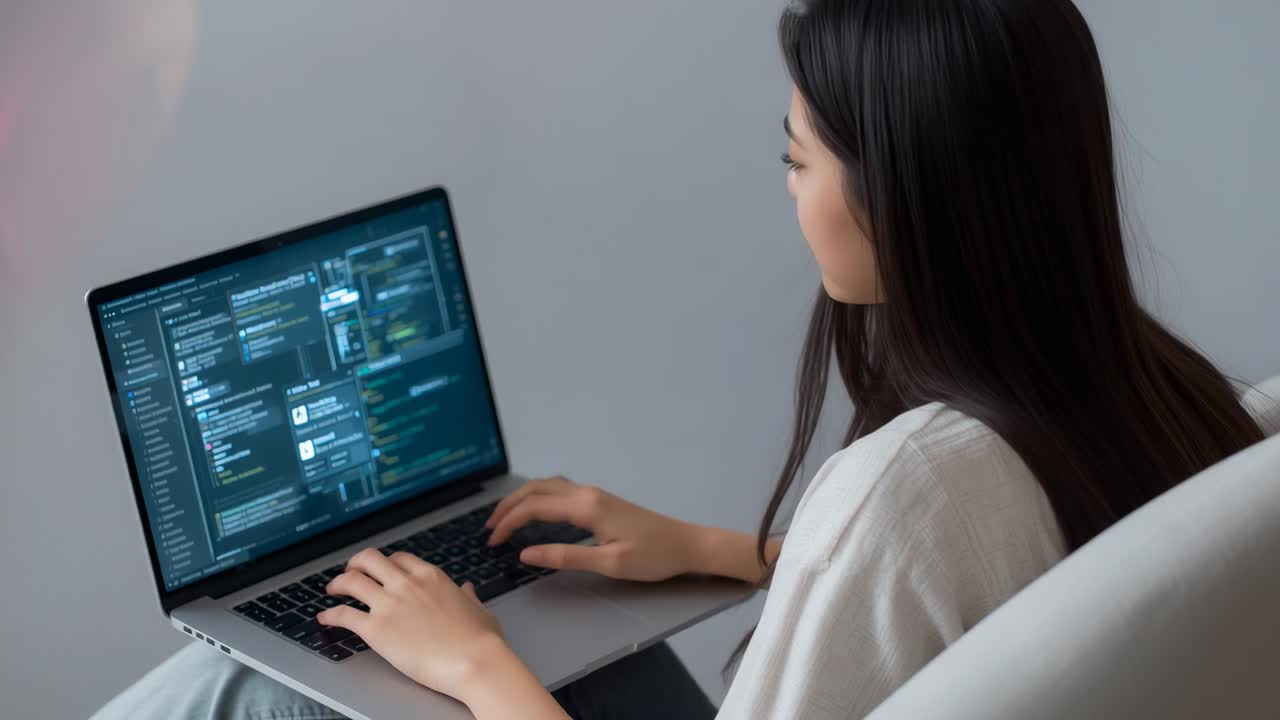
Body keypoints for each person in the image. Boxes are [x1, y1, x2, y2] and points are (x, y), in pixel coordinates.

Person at [94, 0, 1277, 718]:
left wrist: (476, 661)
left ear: (900, 196)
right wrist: (722, 553)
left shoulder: (907, 488)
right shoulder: (1175, 398)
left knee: (244, 686)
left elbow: (919, 546)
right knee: (569, 654)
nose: (788, 190)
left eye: (796, 158)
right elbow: (1023, 601)